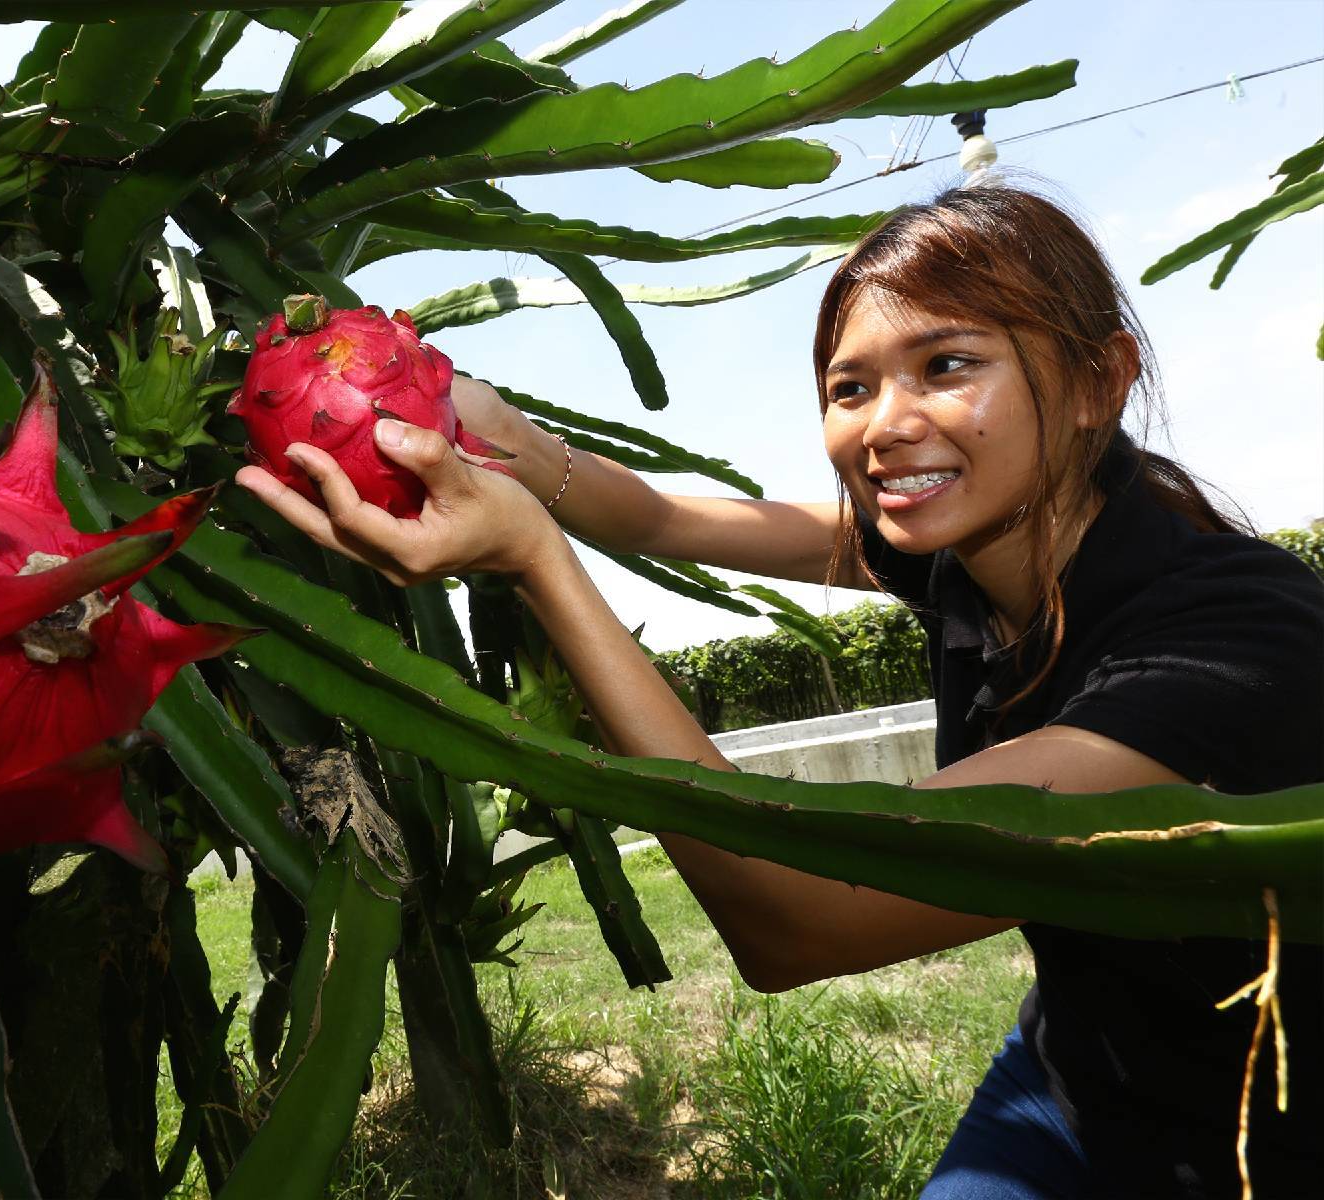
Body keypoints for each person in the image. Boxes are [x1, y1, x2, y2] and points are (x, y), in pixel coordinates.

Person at [234, 184, 1323, 1197]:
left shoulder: (1229, 649)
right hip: (1079, 1060)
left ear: (1098, 381)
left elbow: (799, 920)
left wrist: (535, 561)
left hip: (1248, 1131)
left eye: (948, 365)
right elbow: (659, 520)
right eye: (850, 386)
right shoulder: (973, 547)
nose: (885, 426)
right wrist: (514, 445)